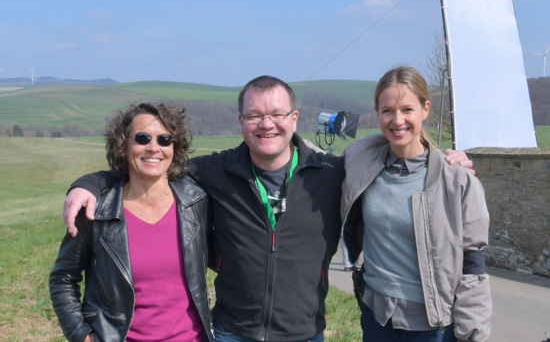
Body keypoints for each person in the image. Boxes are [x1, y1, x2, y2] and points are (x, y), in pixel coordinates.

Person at [61, 75, 473, 342]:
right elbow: (150, 165)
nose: (267, 124)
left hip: (304, 332)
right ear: (241, 120)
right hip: (230, 332)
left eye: (277, 114)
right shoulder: (213, 172)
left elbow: (392, 154)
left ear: (294, 118)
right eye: (255, 115)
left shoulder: (333, 172)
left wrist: (438, 157)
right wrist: (89, 183)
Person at [341, 66, 492, 342]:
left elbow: (473, 264)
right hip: (376, 319)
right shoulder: (361, 160)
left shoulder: (457, 181)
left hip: (432, 327)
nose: (397, 120)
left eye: (407, 109)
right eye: (388, 110)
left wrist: (472, 333)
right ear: (377, 113)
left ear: (425, 109)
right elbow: (319, 168)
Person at [49, 103, 213, 342]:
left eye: (165, 139)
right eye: (142, 138)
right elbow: (63, 277)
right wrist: (82, 336)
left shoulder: (196, 202)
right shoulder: (97, 211)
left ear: (174, 147)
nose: (153, 148)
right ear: (123, 145)